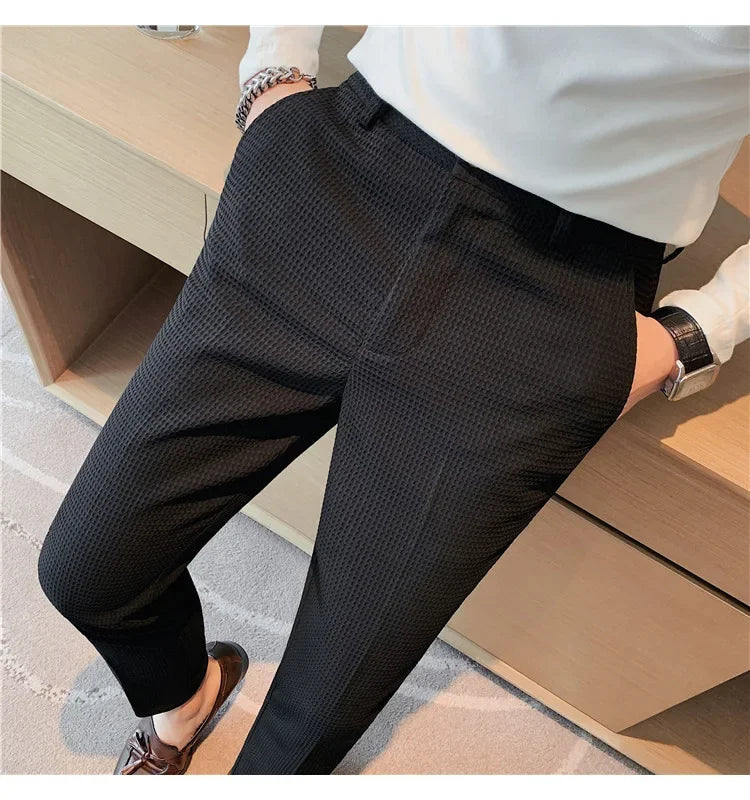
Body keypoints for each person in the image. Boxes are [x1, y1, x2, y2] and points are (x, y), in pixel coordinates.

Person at [37, 26, 749, 775]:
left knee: (312, 722)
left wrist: (698, 331)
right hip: (349, 163)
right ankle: (186, 696)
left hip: (560, 285)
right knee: (89, 570)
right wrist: (274, 66)